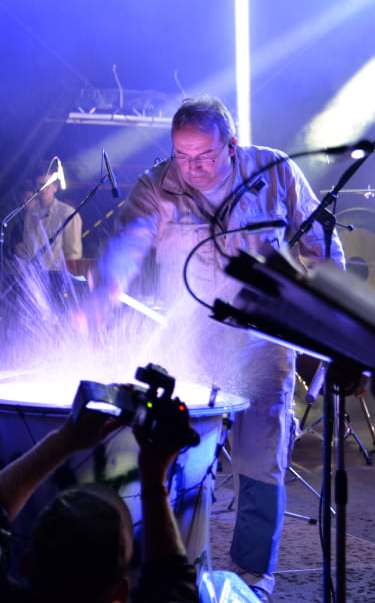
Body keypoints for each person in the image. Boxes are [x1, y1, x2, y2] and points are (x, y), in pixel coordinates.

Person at [97, 95, 345, 601]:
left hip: (263, 342)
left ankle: (252, 579)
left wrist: (335, 317)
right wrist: (110, 281)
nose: (192, 169)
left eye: (205, 156)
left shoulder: (274, 172)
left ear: (231, 145)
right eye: (182, 156)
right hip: (189, 342)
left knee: (260, 461)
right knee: (180, 459)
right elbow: (131, 236)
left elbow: (321, 248)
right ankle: (178, 572)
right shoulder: (158, 183)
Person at [0, 396, 199, 603]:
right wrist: (154, 478)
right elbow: (173, 582)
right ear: (122, 593)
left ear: (26, 564)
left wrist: (65, 439)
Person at [21, 172, 82, 272]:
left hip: (58, 274)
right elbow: (27, 248)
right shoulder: (30, 214)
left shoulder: (68, 213)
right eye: (40, 185)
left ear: (55, 187)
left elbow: (73, 254)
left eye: (47, 185)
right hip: (35, 275)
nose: (43, 189)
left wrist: (68, 276)